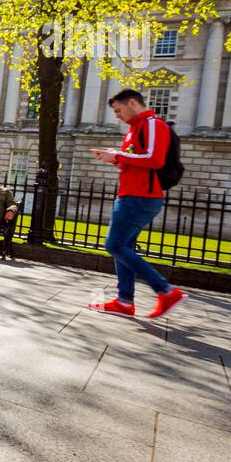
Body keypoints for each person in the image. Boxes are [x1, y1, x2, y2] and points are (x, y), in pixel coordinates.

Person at [87, 88, 185, 318]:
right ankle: (124, 301)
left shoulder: (152, 124)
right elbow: (134, 163)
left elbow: (154, 159)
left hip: (141, 197)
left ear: (133, 103)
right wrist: (114, 158)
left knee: (114, 245)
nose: (117, 116)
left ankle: (166, 290)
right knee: (123, 248)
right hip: (132, 194)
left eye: (119, 110)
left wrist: (118, 156)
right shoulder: (133, 130)